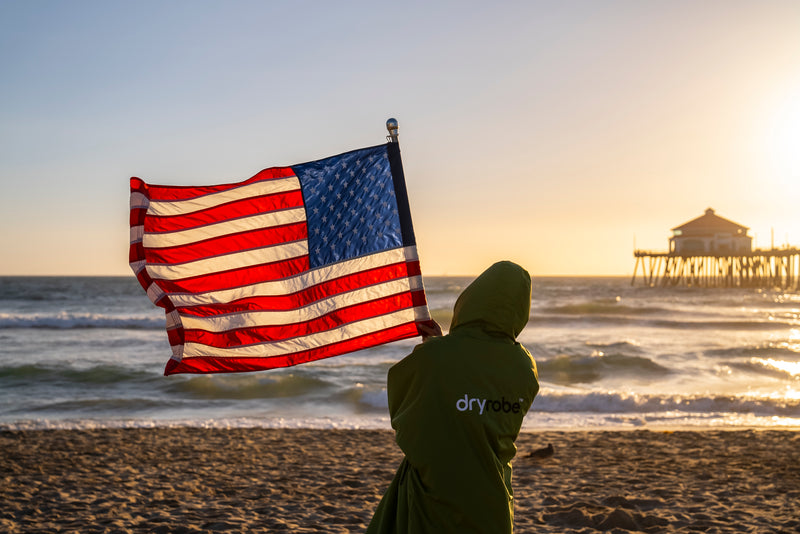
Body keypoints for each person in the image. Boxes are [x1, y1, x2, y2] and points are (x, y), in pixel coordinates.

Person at [366, 260, 540, 534]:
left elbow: (404, 411)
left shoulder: (436, 357)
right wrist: (439, 348)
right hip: (492, 500)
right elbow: (483, 407)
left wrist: (434, 348)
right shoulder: (525, 367)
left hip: (436, 495)